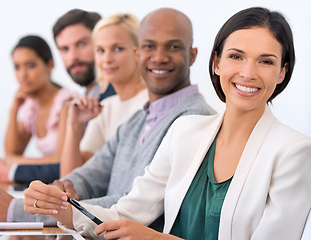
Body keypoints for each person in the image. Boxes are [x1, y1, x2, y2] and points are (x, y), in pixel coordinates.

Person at [24, 7, 311, 239]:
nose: (248, 73)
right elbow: (126, 214)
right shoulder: (186, 132)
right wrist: (55, 206)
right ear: (216, 63)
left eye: (266, 61)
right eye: (236, 56)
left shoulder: (294, 152)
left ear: (282, 72)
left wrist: (155, 239)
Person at [0, 8, 216, 230]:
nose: (159, 57)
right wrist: (62, 189)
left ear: (192, 55)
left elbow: (132, 206)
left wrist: (21, 210)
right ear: (138, 53)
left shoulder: (194, 119)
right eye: (150, 46)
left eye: (173, 47)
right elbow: (89, 174)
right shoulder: (139, 118)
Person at [0, 9, 116, 184]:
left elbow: (68, 165)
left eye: (81, 44)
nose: (73, 57)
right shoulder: (88, 96)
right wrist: (13, 109)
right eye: (64, 49)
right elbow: (12, 152)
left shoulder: (91, 99)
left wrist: (11, 168)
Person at [0, 35, 75, 180]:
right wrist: (13, 110)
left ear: (49, 65)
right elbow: (12, 151)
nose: (23, 75)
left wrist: (15, 162)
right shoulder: (31, 106)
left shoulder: (67, 102)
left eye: (30, 65)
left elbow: (60, 159)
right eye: (17, 67)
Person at [60, 13, 148, 177]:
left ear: (139, 51)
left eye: (117, 48)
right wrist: (74, 126)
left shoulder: (150, 104)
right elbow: (70, 179)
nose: (107, 59)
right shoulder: (107, 106)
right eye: (100, 50)